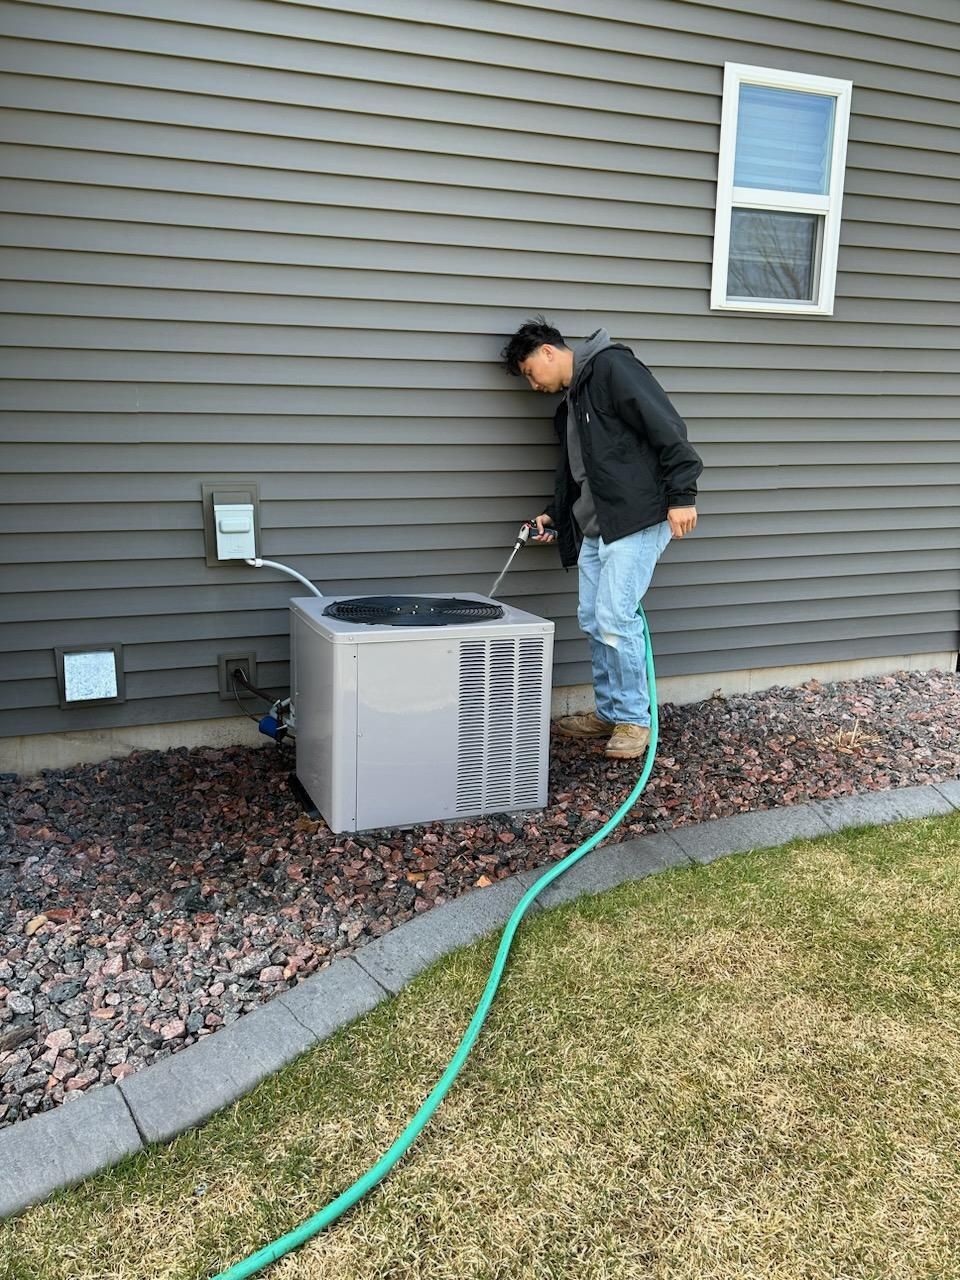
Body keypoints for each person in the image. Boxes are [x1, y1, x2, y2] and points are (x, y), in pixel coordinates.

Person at [500, 316, 702, 760]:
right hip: (597, 526)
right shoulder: (570, 406)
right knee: (594, 619)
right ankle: (610, 712)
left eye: (531, 373)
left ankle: (634, 720)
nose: (533, 386)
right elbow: (581, 474)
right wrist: (555, 515)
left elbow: (666, 426)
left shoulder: (613, 368)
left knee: (615, 617)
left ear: (548, 352)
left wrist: (683, 494)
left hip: (636, 520)